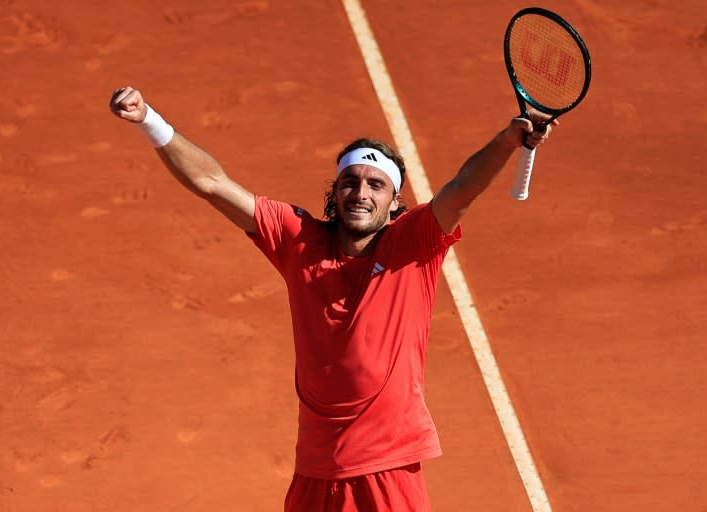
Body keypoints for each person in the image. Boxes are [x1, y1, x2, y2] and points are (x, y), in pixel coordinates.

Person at [109, 86, 555, 511]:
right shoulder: (298, 240)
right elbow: (212, 182)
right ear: (335, 192)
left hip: (387, 467)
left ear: (395, 202)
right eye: (351, 182)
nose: (361, 193)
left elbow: (462, 189)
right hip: (316, 468)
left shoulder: (413, 243)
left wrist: (507, 139)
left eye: (376, 185)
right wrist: (149, 119)